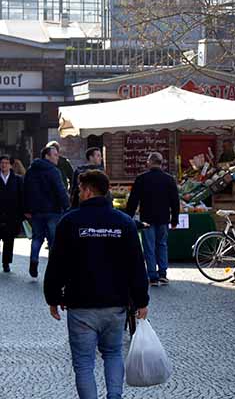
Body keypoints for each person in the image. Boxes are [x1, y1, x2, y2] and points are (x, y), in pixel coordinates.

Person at [44, 169, 149, 399]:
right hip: (115, 303)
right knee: (113, 354)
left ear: (89, 191)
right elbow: (136, 265)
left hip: (81, 303)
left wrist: (52, 296)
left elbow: (57, 264)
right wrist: (142, 300)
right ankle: (114, 396)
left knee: (83, 363)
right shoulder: (124, 223)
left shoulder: (69, 222)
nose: (78, 193)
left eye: (80, 189)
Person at [126, 152, 179, 286]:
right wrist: (174, 219)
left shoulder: (142, 178)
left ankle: (153, 276)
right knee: (162, 244)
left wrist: (128, 217)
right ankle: (163, 274)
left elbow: (133, 200)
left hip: (147, 218)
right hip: (163, 218)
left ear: (149, 162)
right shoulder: (169, 179)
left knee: (149, 247)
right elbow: (175, 201)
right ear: (161, 163)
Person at [24, 145, 71, 278]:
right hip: (53, 211)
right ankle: (53, 269)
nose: (57, 157)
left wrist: (27, 209)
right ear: (47, 156)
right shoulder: (53, 171)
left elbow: (25, 191)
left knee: (37, 238)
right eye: (55, 155)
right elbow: (60, 190)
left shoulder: (31, 170)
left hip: (36, 212)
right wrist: (67, 206)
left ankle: (34, 261)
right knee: (53, 240)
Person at [0, 155, 24, 273]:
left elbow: (22, 197)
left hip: (12, 214)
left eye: (6, 163)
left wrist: (23, 213)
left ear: (10, 165)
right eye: (2, 163)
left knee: (9, 240)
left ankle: (6, 263)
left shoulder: (17, 179)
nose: (4, 165)